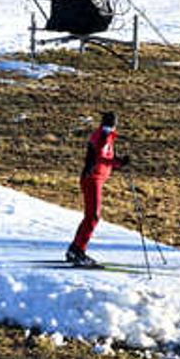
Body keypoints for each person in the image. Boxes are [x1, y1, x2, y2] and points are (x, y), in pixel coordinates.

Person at [66, 111, 129, 267]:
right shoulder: (103, 136)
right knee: (93, 216)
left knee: (91, 216)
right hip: (92, 179)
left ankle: (75, 249)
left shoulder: (104, 135)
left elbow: (104, 158)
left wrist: (119, 163)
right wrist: (118, 162)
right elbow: (100, 156)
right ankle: (77, 251)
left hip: (96, 179)